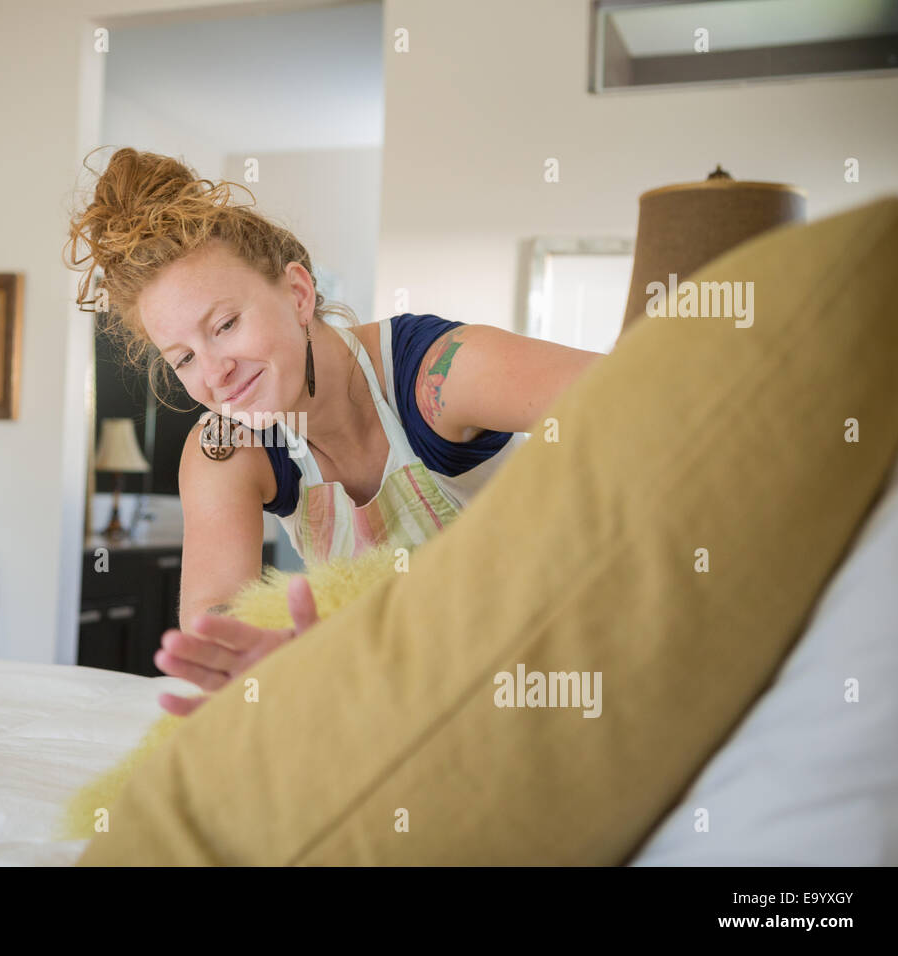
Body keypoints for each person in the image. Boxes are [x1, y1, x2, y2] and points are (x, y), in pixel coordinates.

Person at [66, 147, 603, 715]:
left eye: (225, 325)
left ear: (298, 294)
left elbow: (649, 392)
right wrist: (254, 657)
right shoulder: (226, 449)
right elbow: (217, 622)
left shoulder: (435, 376)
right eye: (183, 359)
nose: (215, 373)